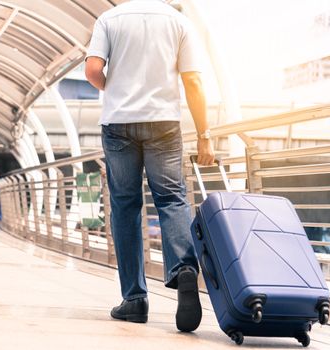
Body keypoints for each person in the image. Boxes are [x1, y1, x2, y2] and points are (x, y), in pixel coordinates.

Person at [84, 0, 215, 332]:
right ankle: (183, 269)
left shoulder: (109, 19)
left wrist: (113, 89)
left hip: (118, 123)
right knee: (171, 200)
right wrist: (204, 135)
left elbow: (92, 70)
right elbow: (193, 83)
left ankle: (134, 300)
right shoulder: (178, 21)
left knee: (125, 207)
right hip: (164, 123)